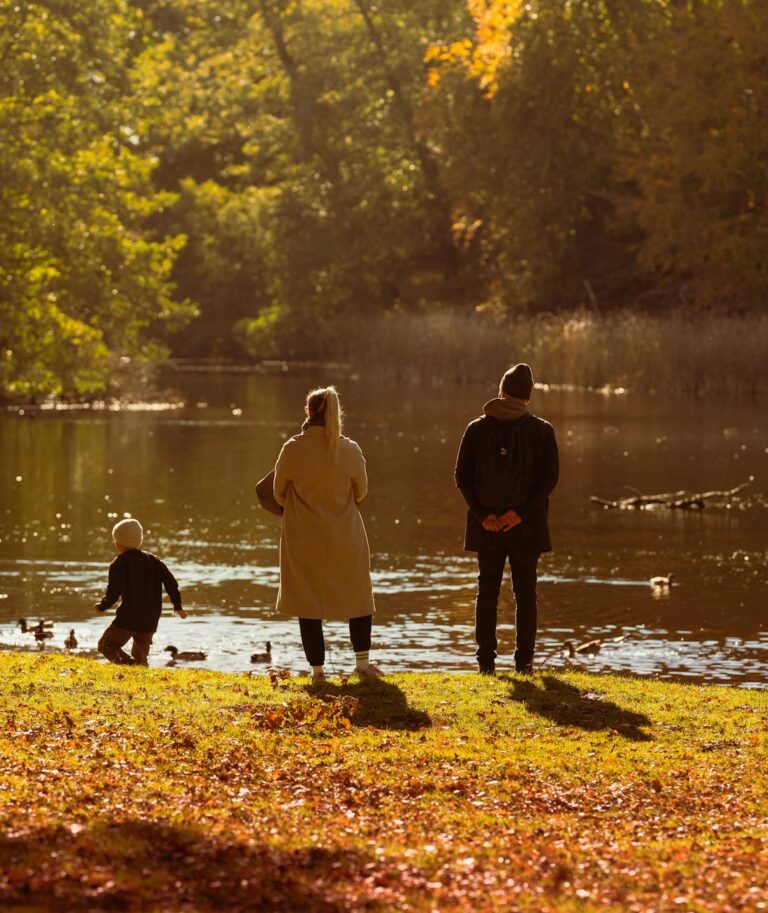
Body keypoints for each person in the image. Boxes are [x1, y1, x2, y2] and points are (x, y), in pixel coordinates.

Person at [454, 363, 559, 674]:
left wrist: (483, 514)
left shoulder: (476, 429)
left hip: (486, 526)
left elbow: (461, 476)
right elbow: (549, 479)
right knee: (525, 592)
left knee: (487, 590)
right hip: (527, 526)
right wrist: (520, 514)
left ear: (501, 392)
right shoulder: (542, 431)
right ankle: (523, 663)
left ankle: (485, 663)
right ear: (527, 397)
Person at [273, 386, 379, 685]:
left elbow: (278, 493)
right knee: (357, 597)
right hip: (345, 534)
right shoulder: (350, 449)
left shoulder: (292, 448)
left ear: (308, 412)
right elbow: (362, 491)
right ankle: (362, 665)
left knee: (307, 601)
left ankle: (317, 672)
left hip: (302, 536)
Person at [94, 518, 187, 665]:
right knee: (141, 655)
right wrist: (178, 606)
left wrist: (102, 606)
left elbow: (114, 591)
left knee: (106, 645)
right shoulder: (155, 561)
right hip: (151, 618)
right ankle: (139, 670)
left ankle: (128, 664)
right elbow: (171, 583)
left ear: (119, 542)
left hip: (128, 617)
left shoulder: (119, 563)